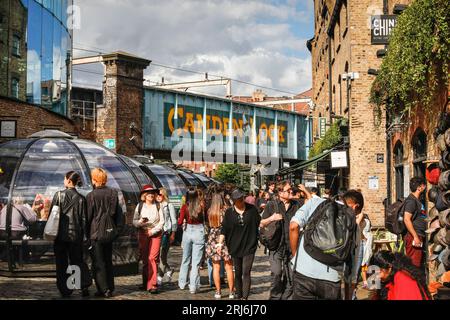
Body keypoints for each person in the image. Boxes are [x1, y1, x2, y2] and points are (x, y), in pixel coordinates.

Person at [289, 189, 361, 300]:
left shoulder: (315, 203)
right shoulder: (355, 227)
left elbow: (293, 226)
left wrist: (295, 255)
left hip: (303, 272)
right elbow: (352, 266)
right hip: (331, 280)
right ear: (355, 207)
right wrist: (347, 295)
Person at [50, 171, 92, 298]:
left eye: (64, 178)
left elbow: (52, 215)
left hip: (60, 235)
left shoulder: (58, 195)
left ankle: (64, 289)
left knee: (61, 263)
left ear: (68, 180)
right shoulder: (81, 198)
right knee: (75, 262)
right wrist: (85, 237)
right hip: (76, 236)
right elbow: (84, 220)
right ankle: (75, 285)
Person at [216, 189, 261, 300]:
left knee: (246, 272)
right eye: (239, 200)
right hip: (235, 246)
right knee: (238, 271)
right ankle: (238, 294)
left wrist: (270, 220)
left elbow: (260, 223)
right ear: (234, 201)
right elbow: (224, 229)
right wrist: (220, 244)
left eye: (242, 199)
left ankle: (244, 297)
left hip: (249, 245)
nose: (241, 201)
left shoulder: (252, 210)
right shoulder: (229, 213)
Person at [86, 168, 123, 298]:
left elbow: (88, 216)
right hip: (109, 232)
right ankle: (110, 287)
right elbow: (117, 213)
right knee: (108, 260)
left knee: (98, 262)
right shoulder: (113, 193)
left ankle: (103, 288)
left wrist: (86, 234)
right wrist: (117, 230)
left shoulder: (91, 196)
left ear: (95, 179)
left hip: (95, 233)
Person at [260, 181, 301, 300]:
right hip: (276, 246)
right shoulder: (272, 205)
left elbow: (312, 203)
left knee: (292, 276)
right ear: (280, 192)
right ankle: (275, 297)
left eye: (291, 190)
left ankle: (286, 297)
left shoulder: (296, 204)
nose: (291, 192)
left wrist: (304, 191)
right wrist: (272, 218)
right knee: (277, 273)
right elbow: (261, 223)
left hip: (292, 247)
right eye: (288, 190)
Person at [133, 185, 164, 294]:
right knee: (145, 259)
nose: (151, 194)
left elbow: (162, 222)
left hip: (155, 234)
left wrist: (153, 231)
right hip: (143, 233)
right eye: (149, 192)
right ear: (144, 195)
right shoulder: (140, 206)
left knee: (152, 258)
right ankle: (146, 282)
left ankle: (153, 285)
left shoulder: (158, 206)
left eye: (152, 192)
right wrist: (140, 222)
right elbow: (134, 221)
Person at [205, 193, 235, 299]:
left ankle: (218, 291)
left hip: (213, 237)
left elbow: (209, 225)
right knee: (229, 267)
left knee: (216, 267)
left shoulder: (210, 211)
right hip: (225, 237)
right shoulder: (226, 211)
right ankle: (231, 292)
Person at [177, 188, 206, 294]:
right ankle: (193, 286)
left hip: (188, 231)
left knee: (185, 259)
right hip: (199, 231)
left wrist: (184, 220)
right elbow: (205, 219)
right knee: (196, 262)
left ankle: (182, 283)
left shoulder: (185, 207)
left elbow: (180, 222)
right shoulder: (201, 207)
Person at [403, 177, 427, 273]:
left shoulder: (416, 200)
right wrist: (415, 237)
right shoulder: (411, 201)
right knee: (414, 266)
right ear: (419, 187)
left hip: (418, 235)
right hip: (413, 237)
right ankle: (412, 286)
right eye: (424, 185)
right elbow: (406, 219)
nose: (425, 188)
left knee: (416, 264)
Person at [157, 188, 177, 284]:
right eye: (157, 195)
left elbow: (174, 220)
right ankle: (168, 270)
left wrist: (173, 233)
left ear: (164, 195)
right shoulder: (155, 206)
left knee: (162, 254)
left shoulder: (169, 205)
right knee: (160, 256)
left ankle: (160, 277)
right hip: (157, 233)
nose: (157, 197)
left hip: (166, 233)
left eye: (160, 195)